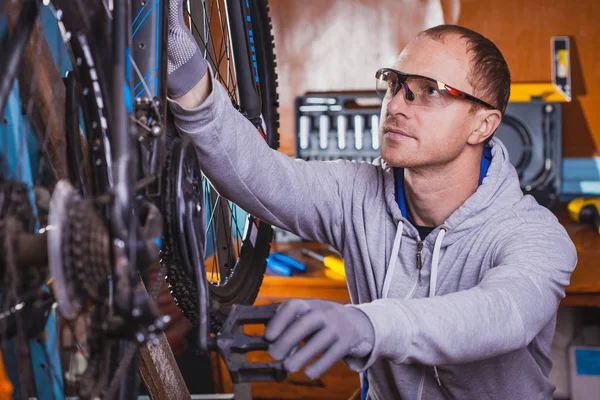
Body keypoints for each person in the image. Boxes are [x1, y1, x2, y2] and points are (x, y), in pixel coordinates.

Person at [165, 0, 577, 398]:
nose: (396, 105)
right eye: (395, 84)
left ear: (482, 125)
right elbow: (257, 173)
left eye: (430, 91)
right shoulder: (357, 194)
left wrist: (367, 324)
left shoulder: (535, 235)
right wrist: (180, 59)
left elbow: (503, 314)